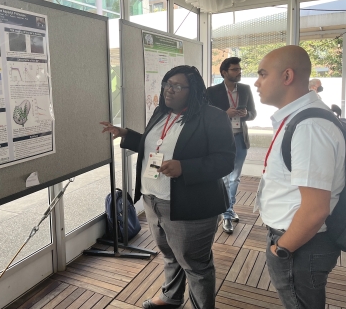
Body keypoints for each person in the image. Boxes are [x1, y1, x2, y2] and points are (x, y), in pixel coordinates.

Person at [101, 65, 235, 309]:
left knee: (195, 264)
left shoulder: (213, 117)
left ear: (192, 90)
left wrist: (185, 167)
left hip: (191, 204)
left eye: (176, 86)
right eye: (166, 84)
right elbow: (154, 143)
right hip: (153, 199)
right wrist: (125, 134)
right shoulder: (162, 113)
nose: (168, 91)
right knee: (171, 254)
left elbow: (225, 160)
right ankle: (171, 297)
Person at [254, 45, 344, 309]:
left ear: (287, 76)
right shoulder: (299, 118)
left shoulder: (309, 127)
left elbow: (316, 209)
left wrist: (281, 249)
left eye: (262, 74)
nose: (257, 83)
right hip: (300, 241)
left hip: (300, 245)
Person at [207, 57, 257, 234]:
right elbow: (206, 115)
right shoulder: (212, 91)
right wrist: (224, 113)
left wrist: (245, 114)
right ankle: (226, 213)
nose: (239, 72)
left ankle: (228, 211)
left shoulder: (245, 89)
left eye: (239, 69)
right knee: (224, 178)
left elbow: (253, 114)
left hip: (239, 138)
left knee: (235, 177)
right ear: (224, 73)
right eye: (235, 69)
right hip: (220, 140)